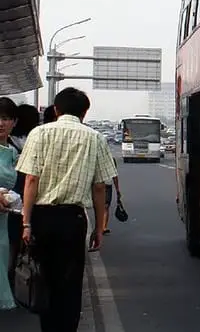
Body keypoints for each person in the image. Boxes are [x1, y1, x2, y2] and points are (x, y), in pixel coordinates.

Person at [16, 87, 117, 332]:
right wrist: (100, 228)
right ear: (84, 112)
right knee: (70, 282)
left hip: (41, 217)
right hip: (73, 218)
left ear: (56, 110)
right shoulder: (95, 138)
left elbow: (31, 180)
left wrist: (26, 223)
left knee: (43, 276)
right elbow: (100, 187)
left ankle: (48, 327)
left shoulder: (39, 134)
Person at [7, 103, 40, 285]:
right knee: (20, 241)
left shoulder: (10, 143)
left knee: (11, 240)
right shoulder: (35, 142)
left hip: (10, 198)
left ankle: (9, 274)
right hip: (28, 200)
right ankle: (18, 276)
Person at [0, 97, 18, 310]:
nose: (1, 123)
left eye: (5, 118)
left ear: (14, 122)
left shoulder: (14, 153)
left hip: (4, 223)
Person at [102, 157, 121, 234]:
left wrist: (117, 190)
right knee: (99, 206)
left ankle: (103, 227)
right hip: (98, 185)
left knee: (106, 206)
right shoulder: (97, 159)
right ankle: (99, 226)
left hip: (107, 186)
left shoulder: (112, 160)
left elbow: (115, 176)